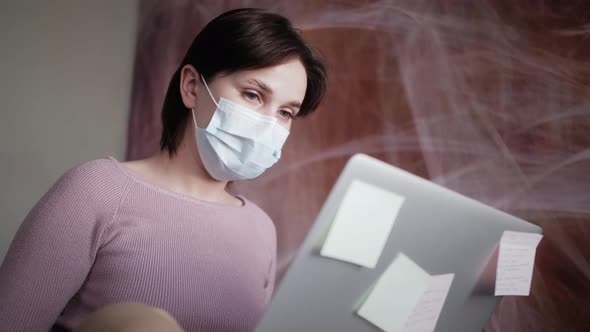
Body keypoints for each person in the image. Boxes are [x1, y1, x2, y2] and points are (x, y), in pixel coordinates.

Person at [0, 7, 327, 332]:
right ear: (192, 87)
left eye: (285, 112)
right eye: (253, 95)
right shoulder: (95, 191)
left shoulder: (261, 230)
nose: (268, 124)